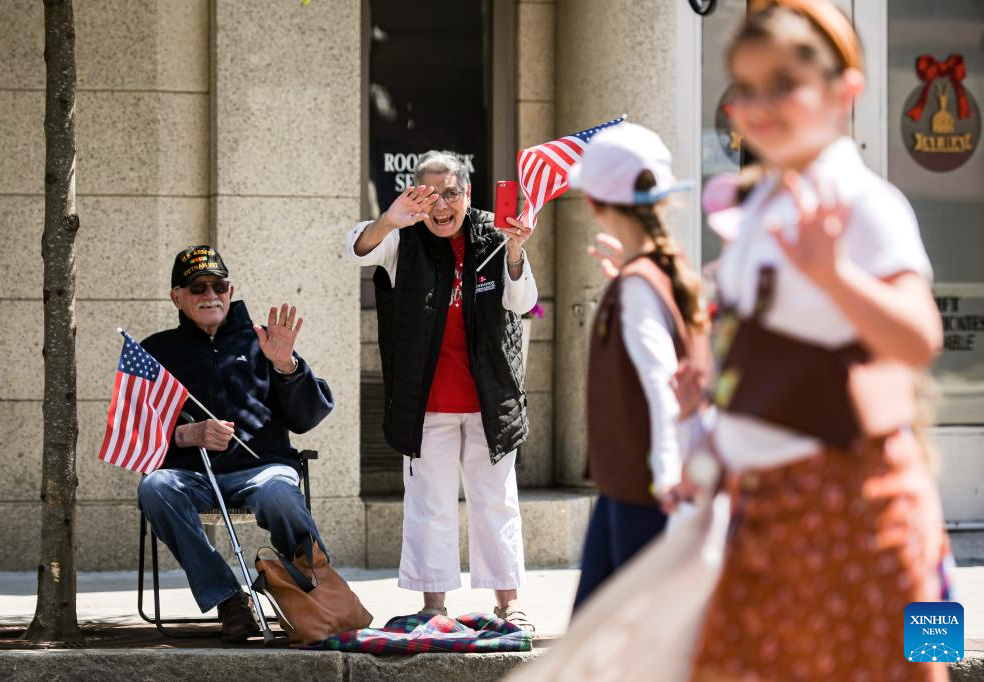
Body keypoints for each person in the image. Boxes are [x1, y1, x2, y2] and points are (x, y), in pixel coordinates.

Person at [687, 1, 950, 679]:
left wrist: (833, 274)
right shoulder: (764, 205)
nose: (757, 104)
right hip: (762, 507)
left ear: (845, 91)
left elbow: (918, 337)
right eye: (744, 87)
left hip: (841, 509)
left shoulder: (862, 202)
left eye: (782, 82)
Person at [345, 150, 538, 631]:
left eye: (450, 193)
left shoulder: (496, 233)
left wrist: (515, 249)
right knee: (430, 506)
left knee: (496, 503)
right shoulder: (401, 237)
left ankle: (507, 604)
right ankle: (433, 607)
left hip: (490, 401)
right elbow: (355, 249)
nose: (441, 205)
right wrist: (389, 218)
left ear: (467, 193)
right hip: (425, 402)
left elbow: (524, 300)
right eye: (430, 195)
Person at [137, 246, 334, 643]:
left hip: (263, 468)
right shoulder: (156, 351)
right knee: (154, 488)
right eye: (197, 287)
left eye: (218, 285)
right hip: (191, 473)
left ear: (231, 290)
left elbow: (308, 418)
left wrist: (286, 367)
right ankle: (230, 600)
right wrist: (186, 434)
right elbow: (140, 429)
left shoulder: (262, 340)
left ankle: (314, 590)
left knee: (279, 493)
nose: (210, 294)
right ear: (177, 297)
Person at [569, 123, 710, 610]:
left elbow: (659, 384)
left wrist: (666, 474)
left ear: (593, 202)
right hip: (631, 490)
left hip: (645, 495)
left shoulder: (638, 286)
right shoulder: (662, 273)